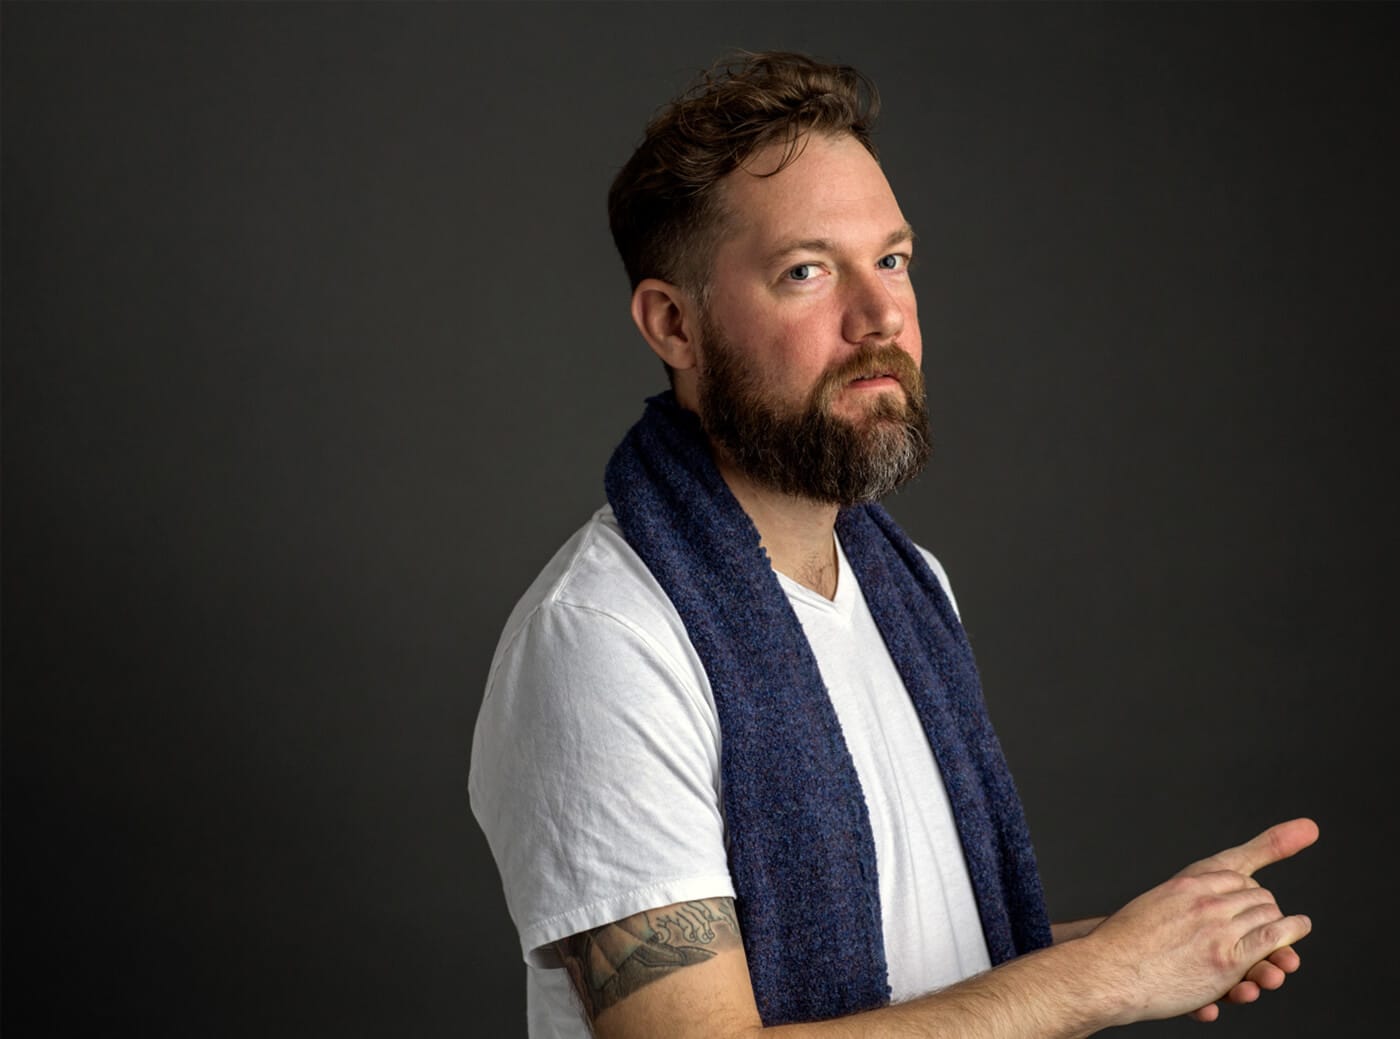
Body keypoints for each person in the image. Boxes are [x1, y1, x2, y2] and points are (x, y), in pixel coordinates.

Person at [468, 51, 1316, 1039]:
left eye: (891, 259)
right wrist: (1102, 979)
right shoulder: (606, 638)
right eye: (804, 271)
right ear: (673, 324)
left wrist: (1150, 944)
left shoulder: (907, 585)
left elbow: (930, 962)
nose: (879, 315)